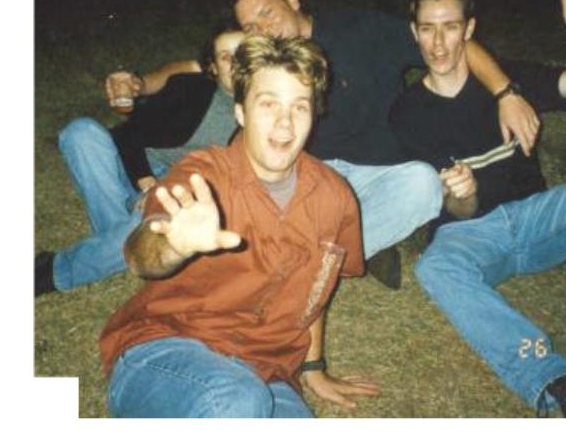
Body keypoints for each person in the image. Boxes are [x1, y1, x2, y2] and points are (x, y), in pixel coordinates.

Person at [100, 35, 380, 418]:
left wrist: (313, 365)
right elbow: (141, 255)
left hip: (267, 372)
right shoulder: (202, 175)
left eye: (299, 107)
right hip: (168, 348)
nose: (285, 122)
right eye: (268, 104)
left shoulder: (335, 197)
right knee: (238, 400)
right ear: (241, 113)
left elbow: (318, 289)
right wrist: (174, 245)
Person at [389, 0, 566, 418]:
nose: (438, 43)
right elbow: (457, 212)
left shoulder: (509, 82)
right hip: (471, 237)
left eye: (450, 27)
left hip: (534, 218)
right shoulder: (407, 112)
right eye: (427, 29)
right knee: (435, 266)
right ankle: (558, 384)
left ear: (469, 29)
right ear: (413, 33)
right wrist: (464, 195)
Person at [230, 0, 541, 288]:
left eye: (266, 13)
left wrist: (505, 93)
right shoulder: (267, 63)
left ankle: (322, 258)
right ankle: (356, 242)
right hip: (313, 176)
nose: (263, 29)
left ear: (292, 0)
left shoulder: (362, 30)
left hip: (380, 174)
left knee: (425, 183)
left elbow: (456, 45)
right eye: (250, 27)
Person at [35, 20, 245, 296]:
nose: (236, 63)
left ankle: (54, 271)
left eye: (242, 53)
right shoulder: (191, 88)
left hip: (178, 187)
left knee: (154, 222)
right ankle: (125, 242)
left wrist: (160, 190)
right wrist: (146, 181)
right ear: (214, 67)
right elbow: (131, 131)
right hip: (137, 167)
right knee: (80, 132)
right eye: (225, 57)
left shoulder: (264, 109)